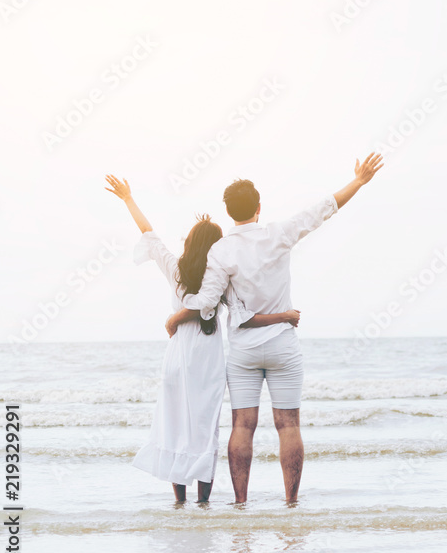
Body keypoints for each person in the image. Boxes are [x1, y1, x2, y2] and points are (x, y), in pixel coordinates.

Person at [164, 153, 384, 505]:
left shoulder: (222, 250)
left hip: (244, 351)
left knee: (242, 427)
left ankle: (240, 503)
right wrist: (358, 181)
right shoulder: (279, 233)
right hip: (282, 345)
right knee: (288, 425)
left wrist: (177, 317)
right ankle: (291, 502)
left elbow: (207, 301)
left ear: (228, 211)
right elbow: (323, 209)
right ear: (259, 207)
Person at [106, 175, 300, 503]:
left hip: (179, 353)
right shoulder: (221, 274)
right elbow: (233, 310)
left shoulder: (176, 268)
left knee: (175, 423)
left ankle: (180, 500)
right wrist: (284, 315)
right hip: (208, 355)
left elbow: (148, 234)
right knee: (205, 425)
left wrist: (127, 199)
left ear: (191, 243)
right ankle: (204, 501)